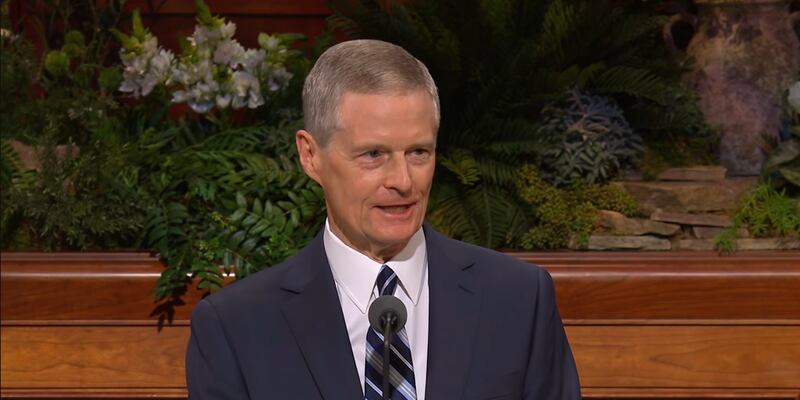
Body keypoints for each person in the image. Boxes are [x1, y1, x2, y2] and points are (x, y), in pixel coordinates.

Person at [185, 39, 580, 400]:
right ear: (310, 156)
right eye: (373, 154)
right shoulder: (236, 328)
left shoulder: (519, 300)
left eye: (419, 153)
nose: (403, 181)